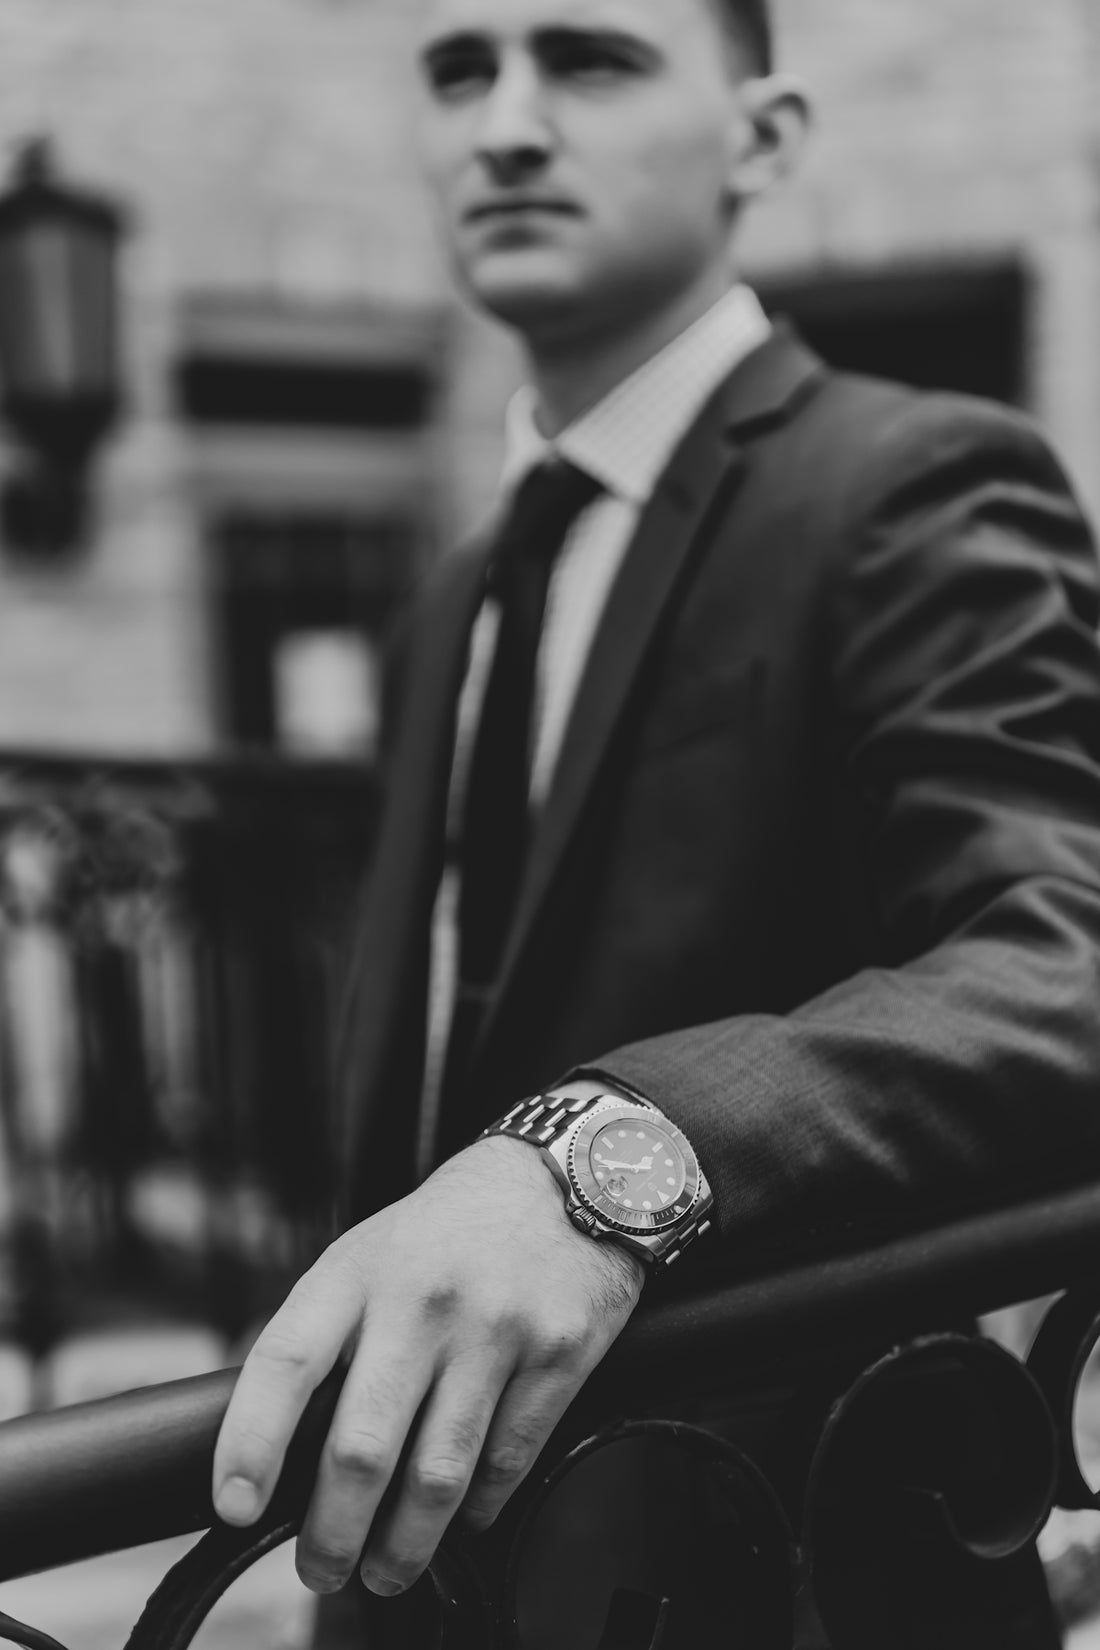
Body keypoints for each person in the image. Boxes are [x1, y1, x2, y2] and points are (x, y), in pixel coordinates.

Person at [213, 0, 1100, 1638]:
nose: (508, 123)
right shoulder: (453, 601)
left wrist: (601, 1167)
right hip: (437, 1576)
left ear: (760, 138)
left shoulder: (913, 480)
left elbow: (1068, 960)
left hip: (793, 1566)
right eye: (461, 69)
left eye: (592, 59)